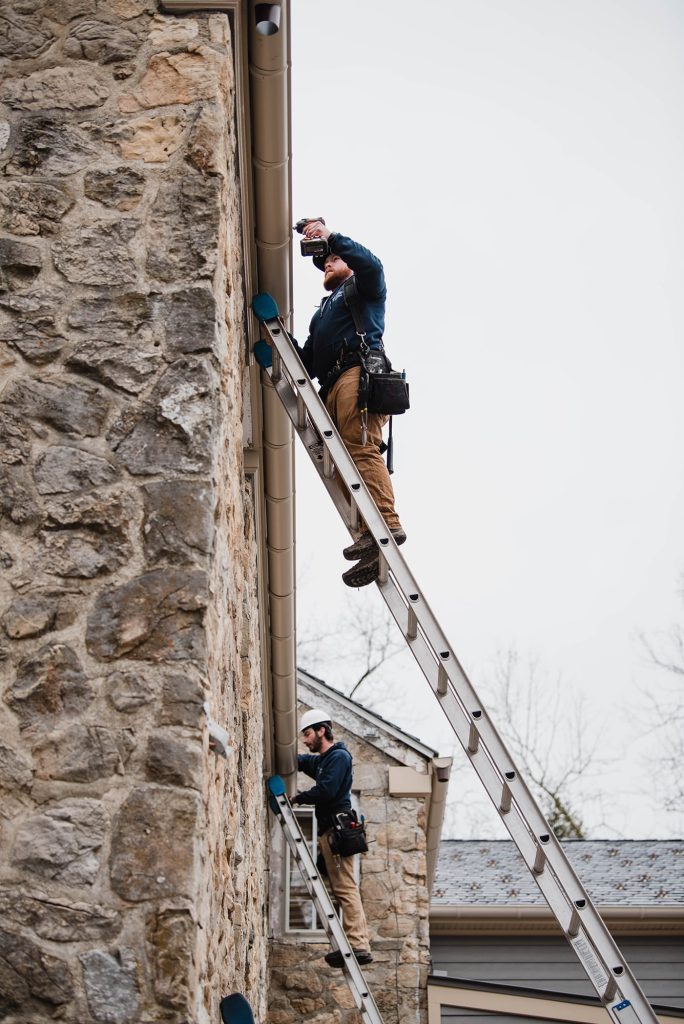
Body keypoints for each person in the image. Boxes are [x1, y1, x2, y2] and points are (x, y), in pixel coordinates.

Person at [293, 221, 406, 588]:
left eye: (334, 259)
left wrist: (330, 237)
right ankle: (368, 539)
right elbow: (307, 363)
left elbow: (373, 265)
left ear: (350, 264)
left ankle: (385, 527)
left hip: (358, 373)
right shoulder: (322, 312)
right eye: (325, 260)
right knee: (338, 466)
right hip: (330, 385)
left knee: (359, 448)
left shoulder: (364, 287)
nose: (327, 263)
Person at [291, 707, 373, 968]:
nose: (305, 740)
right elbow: (307, 762)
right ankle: (346, 942)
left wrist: (297, 798)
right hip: (330, 834)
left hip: (338, 833)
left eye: (307, 734)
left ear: (321, 730)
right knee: (335, 885)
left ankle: (358, 944)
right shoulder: (325, 760)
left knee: (346, 889)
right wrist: (290, 758)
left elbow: (326, 791)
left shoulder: (338, 757)